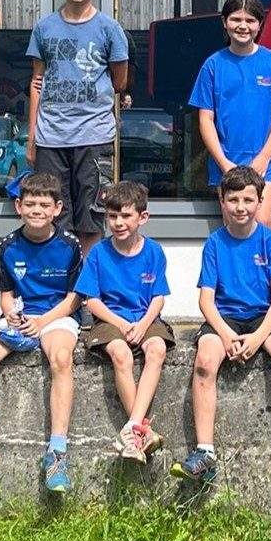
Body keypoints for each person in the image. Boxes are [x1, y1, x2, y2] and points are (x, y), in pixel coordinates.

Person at [172, 164, 271, 484]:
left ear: (260, 201)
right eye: (233, 200)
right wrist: (226, 335)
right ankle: (205, 452)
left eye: (248, 200)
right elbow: (206, 301)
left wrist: (256, 338)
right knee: (205, 360)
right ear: (222, 201)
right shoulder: (215, 243)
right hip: (224, 317)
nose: (241, 207)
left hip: (264, 317)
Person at [0, 172, 83, 496]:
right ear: (18, 206)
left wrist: (42, 322)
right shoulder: (7, 245)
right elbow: (6, 296)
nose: (37, 210)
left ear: (57, 208)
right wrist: (13, 314)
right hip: (21, 317)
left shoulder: (70, 244)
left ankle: (57, 454)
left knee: (61, 358)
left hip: (56, 316)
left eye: (44, 205)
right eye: (30, 204)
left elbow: (73, 299)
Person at [26, 0, 130, 254]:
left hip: (93, 137)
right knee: (52, 217)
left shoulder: (109, 30)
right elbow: (37, 83)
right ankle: (63, 280)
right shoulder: (44, 28)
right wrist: (31, 139)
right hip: (51, 138)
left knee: (91, 219)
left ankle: (87, 282)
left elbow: (119, 82)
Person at [74, 179, 174, 463]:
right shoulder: (99, 252)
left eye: (126, 215)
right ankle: (142, 431)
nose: (118, 222)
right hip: (110, 319)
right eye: (112, 216)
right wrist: (120, 323)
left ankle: (131, 428)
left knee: (157, 349)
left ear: (143, 217)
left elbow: (158, 297)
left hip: (145, 317)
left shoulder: (154, 251)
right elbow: (91, 300)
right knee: (120, 354)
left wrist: (142, 325)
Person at [189, 0, 271, 227]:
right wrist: (223, 163)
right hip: (226, 160)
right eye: (236, 19)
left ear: (260, 24)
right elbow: (205, 120)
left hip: (265, 160)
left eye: (250, 20)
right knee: (234, 223)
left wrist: (264, 157)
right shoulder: (213, 65)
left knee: (262, 221)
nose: (243, 26)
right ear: (224, 22)